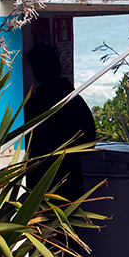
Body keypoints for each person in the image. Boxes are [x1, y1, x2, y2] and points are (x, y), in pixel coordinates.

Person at [25, 45, 96, 199]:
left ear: (36, 72)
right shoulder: (73, 100)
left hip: (39, 182)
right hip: (70, 181)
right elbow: (90, 142)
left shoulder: (34, 106)